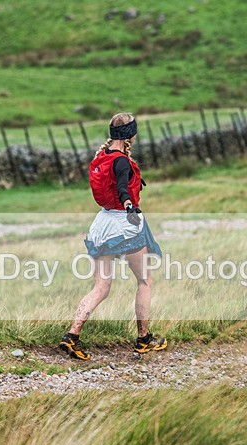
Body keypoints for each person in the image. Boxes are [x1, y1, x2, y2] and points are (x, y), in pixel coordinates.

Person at [59, 112, 167, 361]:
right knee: (144, 281)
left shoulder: (102, 156)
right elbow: (121, 187)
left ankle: (72, 335)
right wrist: (129, 204)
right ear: (131, 135)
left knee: (101, 286)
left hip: (103, 223)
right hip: (124, 223)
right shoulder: (122, 162)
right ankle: (143, 340)